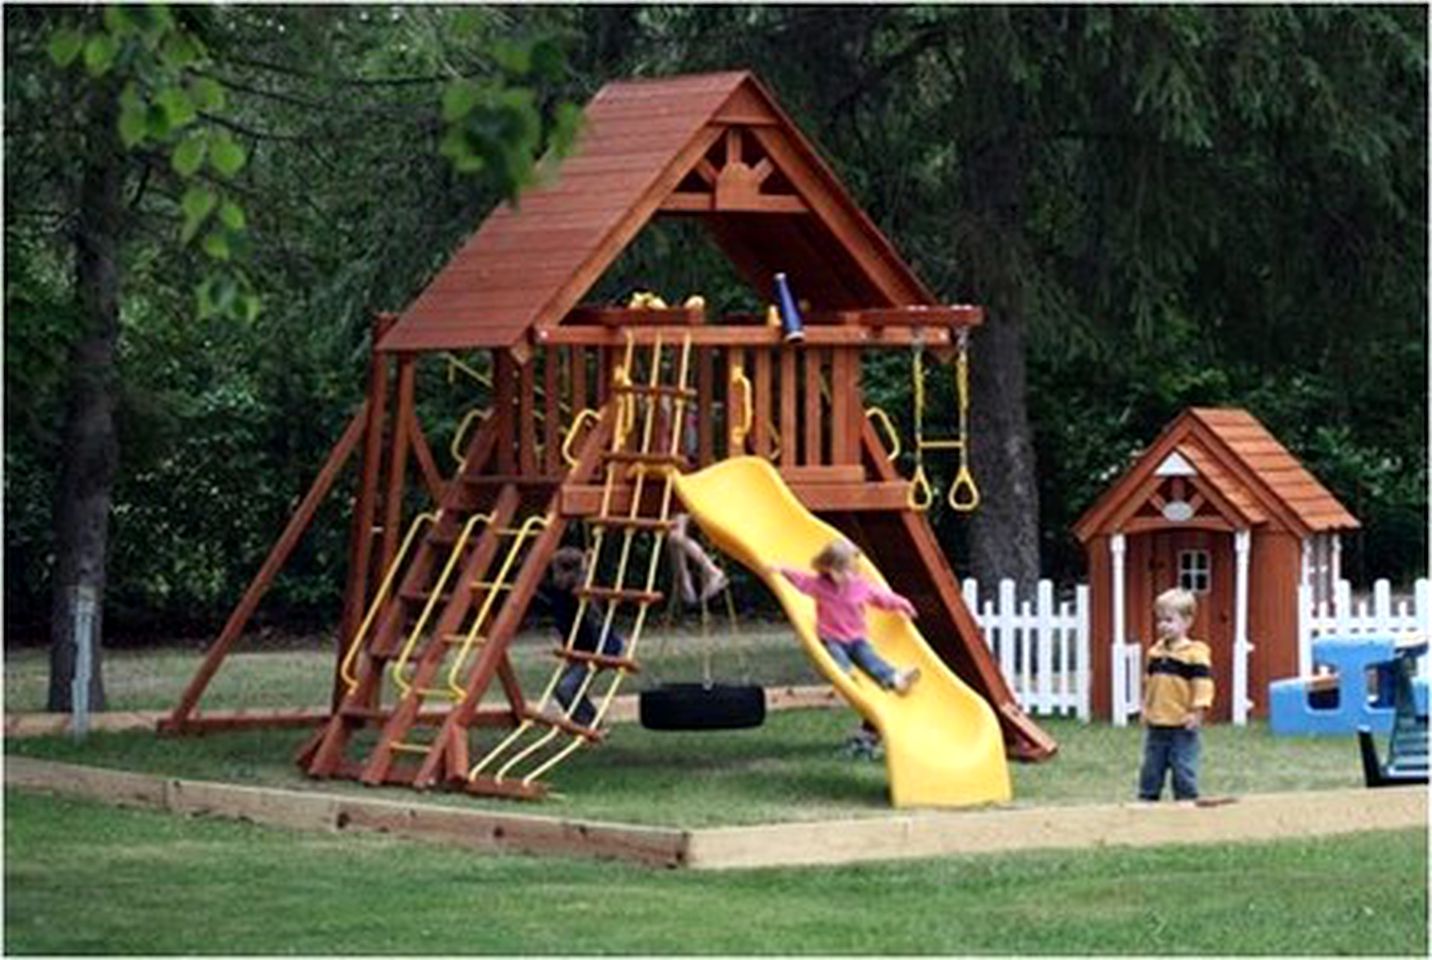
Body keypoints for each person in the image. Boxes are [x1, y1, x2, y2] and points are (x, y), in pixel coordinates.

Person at [770, 539, 921, 694]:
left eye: (851, 571)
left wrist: (904, 604)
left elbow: (882, 597)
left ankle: (895, 679)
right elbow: (801, 579)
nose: (847, 576)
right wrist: (782, 570)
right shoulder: (820, 585)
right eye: (840, 571)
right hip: (832, 638)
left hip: (856, 638)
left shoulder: (861, 587)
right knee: (838, 659)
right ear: (828, 568)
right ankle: (848, 679)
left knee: (870, 659)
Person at [532, 546, 625, 728]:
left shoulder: (579, 595)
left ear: (568, 573)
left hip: (600, 650)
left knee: (565, 689)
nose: (553, 577)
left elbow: (595, 614)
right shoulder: (559, 592)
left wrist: (586, 568)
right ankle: (591, 724)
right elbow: (539, 587)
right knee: (566, 689)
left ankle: (591, 727)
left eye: (556, 572)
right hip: (582, 650)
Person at [1137, 587, 1215, 802]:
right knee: (1151, 768)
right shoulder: (1155, 653)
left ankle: (1186, 801)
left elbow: (1203, 685)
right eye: (1160, 620)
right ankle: (1147, 800)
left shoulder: (1195, 654)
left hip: (1182, 724)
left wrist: (1197, 712)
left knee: (1183, 768)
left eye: (1169, 620)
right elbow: (1150, 683)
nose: (1163, 625)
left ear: (1187, 621)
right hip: (1157, 723)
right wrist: (1145, 707)